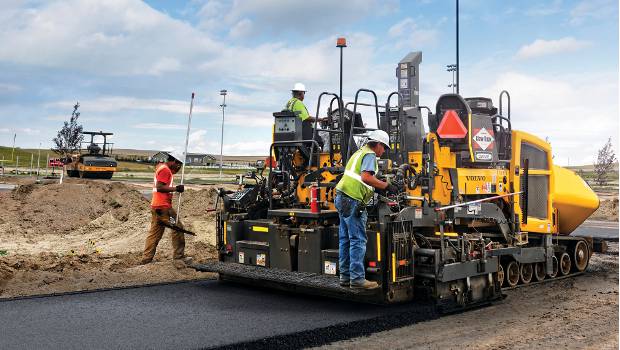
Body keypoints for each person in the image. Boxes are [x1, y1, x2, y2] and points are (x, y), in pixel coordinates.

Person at [334, 130, 399, 289]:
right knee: (358, 240)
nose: (383, 152)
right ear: (377, 144)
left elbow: (361, 178)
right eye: (383, 147)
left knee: (345, 239)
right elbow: (366, 177)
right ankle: (357, 279)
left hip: (342, 197)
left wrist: (377, 186)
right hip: (353, 200)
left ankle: (345, 277)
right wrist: (387, 186)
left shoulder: (359, 152)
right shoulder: (370, 155)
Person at [141, 152, 192, 268]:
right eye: (179, 165)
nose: (179, 168)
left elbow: (165, 179)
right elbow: (159, 187)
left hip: (156, 206)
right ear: (174, 161)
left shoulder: (162, 167)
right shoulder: (165, 170)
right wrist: (176, 188)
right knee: (178, 228)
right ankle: (179, 257)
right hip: (163, 207)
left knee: (154, 233)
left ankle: (146, 259)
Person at [284, 82, 326, 149]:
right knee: (322, 139)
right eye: (304, 93)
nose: (304, 95)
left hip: (292, 132)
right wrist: (321, 119)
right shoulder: (298, 103)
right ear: (300, 93)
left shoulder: (289, 103)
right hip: (302, 134)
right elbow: (306, 118)